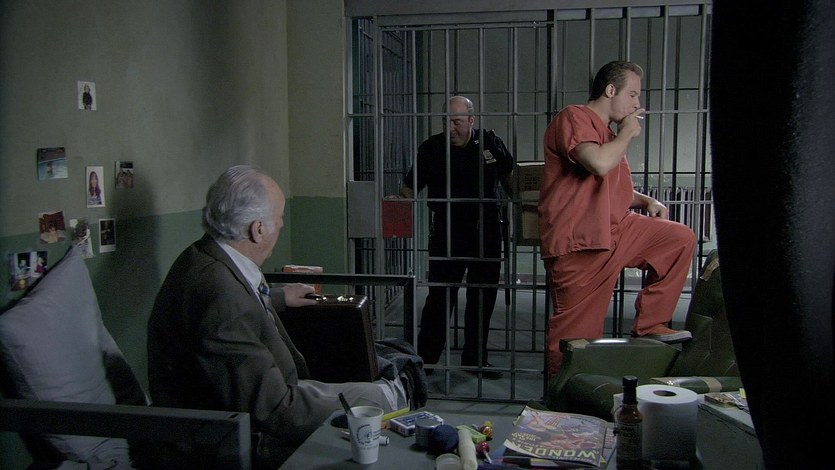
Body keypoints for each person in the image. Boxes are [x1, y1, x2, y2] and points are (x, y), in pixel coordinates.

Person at [148, 165, 409, 468]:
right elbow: (275, 411)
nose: (282, 224)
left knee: (380, 387)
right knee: (384, 403)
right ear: (258, 229)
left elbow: (232, 310)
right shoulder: (221, 296)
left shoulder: (205, 256)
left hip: (250, 408)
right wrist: (378, 400)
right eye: (280, 216)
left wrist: (277, 297)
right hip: (229, 442)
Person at [538, 61, 696, 378]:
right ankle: (561, 400)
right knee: (575, 342)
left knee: (679, 239)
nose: (638, 104)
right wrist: (626, 134)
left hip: (617, 230)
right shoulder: (574, 116)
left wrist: (647, 200)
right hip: (581, 244)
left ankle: (651, 324)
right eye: (633, 95)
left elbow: (610, 186)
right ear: (611, 90)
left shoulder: (609, 135)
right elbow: (597, 163)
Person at [401, 96, 514, 379]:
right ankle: (425, 361)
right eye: (446, 121)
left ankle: (474, 360)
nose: (451, 128)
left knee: (482, 297)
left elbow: (509, 178)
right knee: (439, 297)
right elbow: (409, 188)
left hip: (486, 231)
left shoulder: (491, 144)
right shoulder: (432, 149)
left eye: (457, 122)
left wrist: (525, 207)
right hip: (447, 231)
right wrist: (399, 205)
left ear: (471, 120)